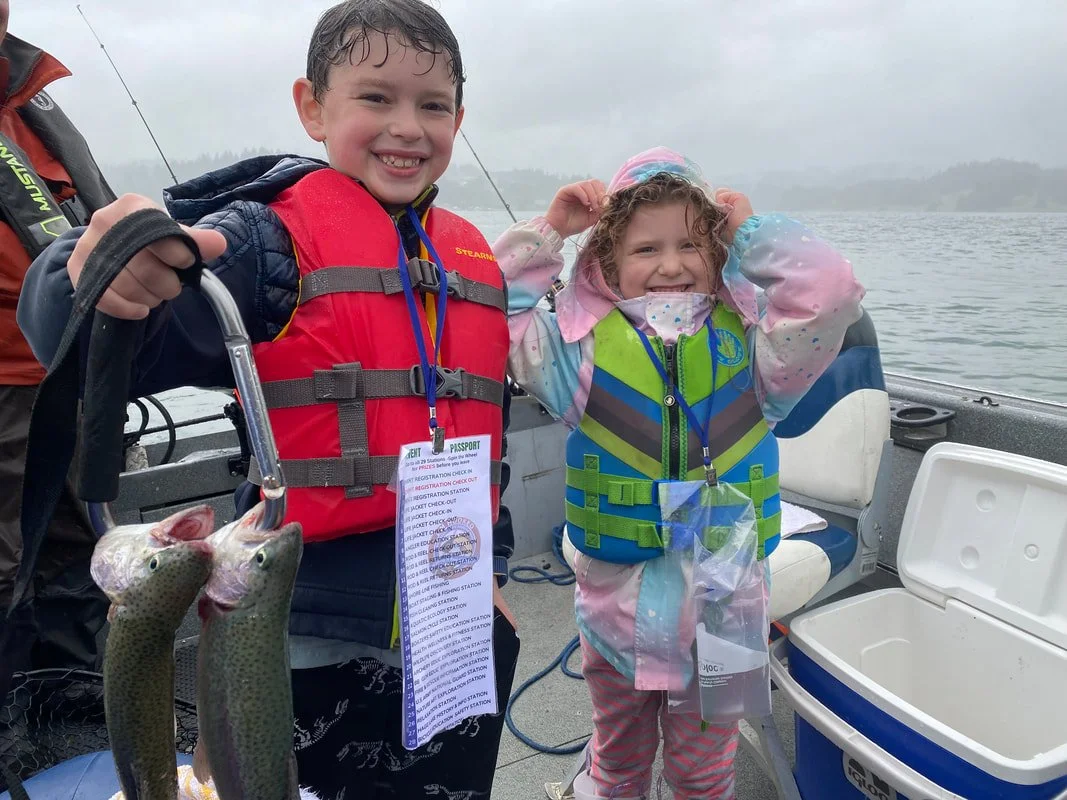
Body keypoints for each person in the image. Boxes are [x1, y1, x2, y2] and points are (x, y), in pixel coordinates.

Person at [18, 1, 519, 797]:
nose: (407, 127)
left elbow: (476, 445)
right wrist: (93, 269)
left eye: (434, 105)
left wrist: (491, 573)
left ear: (460, 116)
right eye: (375, 98)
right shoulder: (264, 244)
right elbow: (79, 335)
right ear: (312, 108)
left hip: (451, 615)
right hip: (302, 629)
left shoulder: (466, 256)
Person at [491, 146, 865, 799]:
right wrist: (551, 229)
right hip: (616, 620)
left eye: (692, 245)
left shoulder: (763, 356)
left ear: (718, 254)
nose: (669, 265)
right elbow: (487, 313)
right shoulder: (572, 357)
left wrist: (749, 232)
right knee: (616, 768)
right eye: (644, 250)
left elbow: (831, 296)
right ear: (605, 262)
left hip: (725, 620)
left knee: (704, 775)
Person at [0, 0, 113, 676]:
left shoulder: (31, 103)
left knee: (77, 545)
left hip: (64, 372)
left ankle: (71, 698)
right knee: (7, 559)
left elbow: (96, 222)